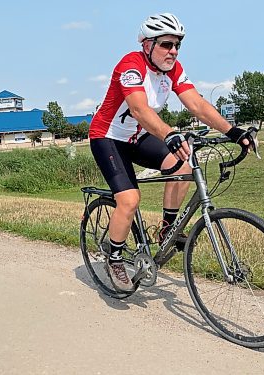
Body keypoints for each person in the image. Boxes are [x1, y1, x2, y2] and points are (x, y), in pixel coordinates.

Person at [89, 13, 251, 292]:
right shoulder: (131, 65)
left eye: (177, 45)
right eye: (166, 44)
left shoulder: (173, 70)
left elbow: (197, 105)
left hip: (138, 137)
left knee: (184, 167)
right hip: (109, 137)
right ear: (147, 45)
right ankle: (114, 257)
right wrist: (169, 133)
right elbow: (139, 109)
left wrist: (233, 132)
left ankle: (167, 228)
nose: (173, 51)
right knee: (129, 200)